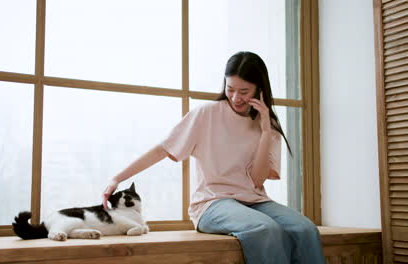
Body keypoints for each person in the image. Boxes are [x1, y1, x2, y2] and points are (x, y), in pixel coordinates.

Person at [102, 51, 325, 264]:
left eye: (244, 91)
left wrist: (266, 131)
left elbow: (257, 182)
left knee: (305, 229)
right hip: (212, 203)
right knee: (265, 229)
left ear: (260, 89)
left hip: (254, 201)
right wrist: (117, 178)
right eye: (230, 89)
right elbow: (162, 149)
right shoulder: (206, 114)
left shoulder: (269, 126)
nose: (236, 98)